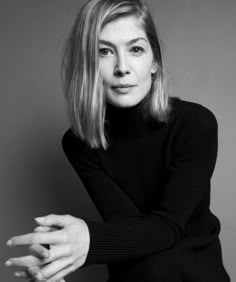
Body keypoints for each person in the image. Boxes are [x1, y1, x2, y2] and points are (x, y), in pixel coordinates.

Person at [5, 0, 231, 281]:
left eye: (135, 49)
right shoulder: (79, 144)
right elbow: (130, 232)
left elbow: (165, 230)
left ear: (155, 63)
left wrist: (84, 245)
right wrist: (59, 259)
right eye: (104, 52)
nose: (122, 68)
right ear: (87, 65)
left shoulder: (194, 125)